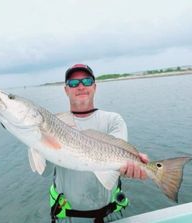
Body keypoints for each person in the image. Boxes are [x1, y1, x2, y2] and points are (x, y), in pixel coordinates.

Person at [45, 64, 148, 223]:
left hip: (110, 215)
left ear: (94, 86)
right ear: (66, 90)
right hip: (68, 218)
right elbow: (44, 170)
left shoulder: (113, 120)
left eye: (86, 81)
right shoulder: (54, 123)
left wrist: (131, 167)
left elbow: (119, 161)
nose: (80, 86)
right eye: (73, 83)